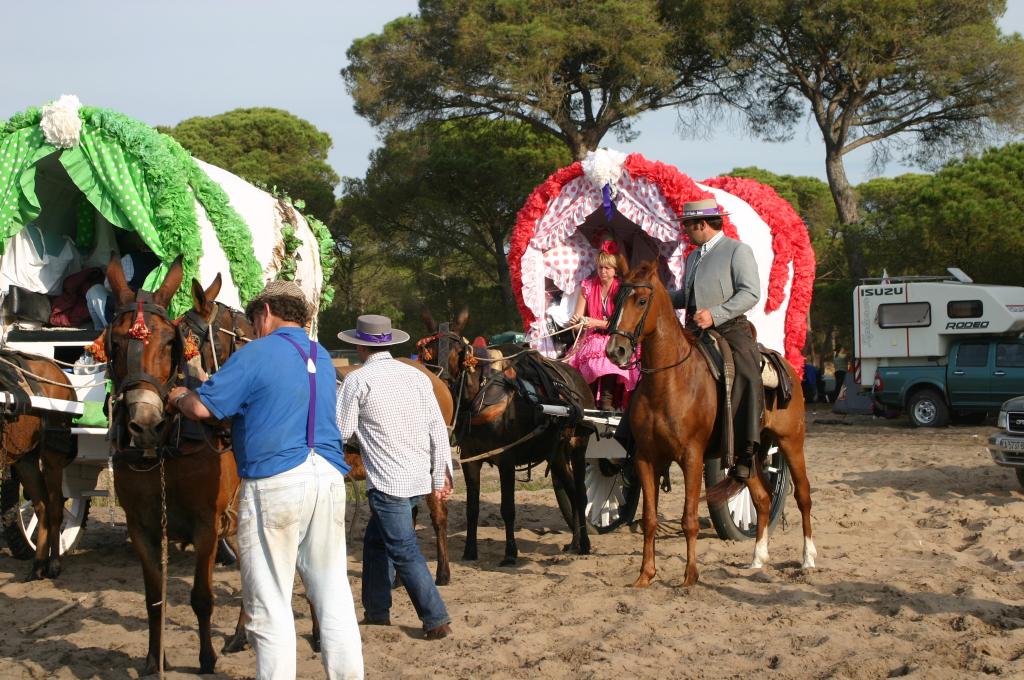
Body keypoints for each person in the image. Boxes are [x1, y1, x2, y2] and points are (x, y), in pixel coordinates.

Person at [168, 281, 363, 680]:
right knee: (334, 597)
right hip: (327, 478)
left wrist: (176, 396)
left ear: (267, 311)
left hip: (276, 481)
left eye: (255, 318)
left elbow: (205, 408)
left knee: (269, 602)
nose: (254, 326)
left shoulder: (255, 353)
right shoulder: (321, 355)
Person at [335, 314, 454, 640]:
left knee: (403, 550)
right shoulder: (417, 378)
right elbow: (437, 429)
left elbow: (341, 431)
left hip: (389, 482)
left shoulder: (356, 382)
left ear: (360, 347)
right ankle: (376, 611)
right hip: (418, 477)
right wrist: (442, 473)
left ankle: (436, 618)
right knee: (376, 541)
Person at [669, 198, 763, 480]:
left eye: (687, 225)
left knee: (747, 372)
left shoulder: (737, 250)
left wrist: (716, 315)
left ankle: (747, 449)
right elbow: (688, 297)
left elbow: (750, 293)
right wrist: (657, 295)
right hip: (694, 331)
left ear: (701, 224)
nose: (685, 231)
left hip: (730, 328)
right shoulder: (693, 257)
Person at [566, 241, 639, 410]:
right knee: (590, 351)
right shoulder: (588, 286)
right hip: (591, 335)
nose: (603, 271)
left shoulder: (622, 289)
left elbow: (620, 323)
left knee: (608, 351)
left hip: (617, 335)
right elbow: (579, 319)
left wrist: (594, 322)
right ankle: (588, 398)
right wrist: (577, 323)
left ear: (615, 270)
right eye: (600, 267)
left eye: (607, 268)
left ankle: (607, 399)